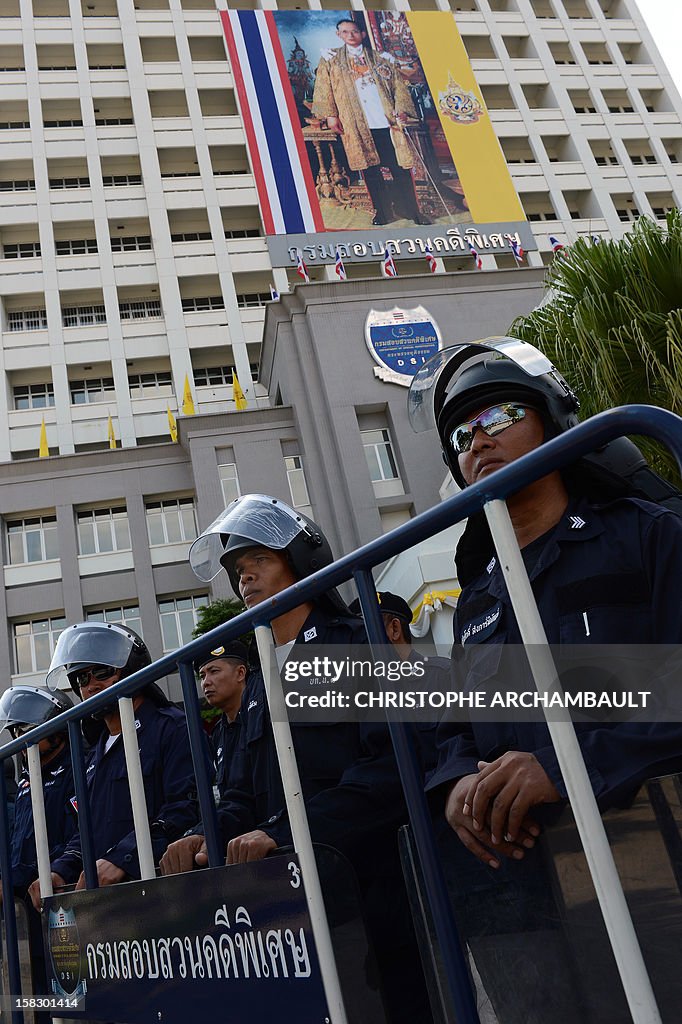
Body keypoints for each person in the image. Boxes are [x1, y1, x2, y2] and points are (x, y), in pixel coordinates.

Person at [407, 335, 682, 1023]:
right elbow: (454, 734)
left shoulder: (648, 537)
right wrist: (459, 784)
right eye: (463, 435)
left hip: (661, 870)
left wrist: (566, 767)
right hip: (533, 890)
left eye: (498, 418)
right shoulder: (477, 599)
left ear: (555, 422)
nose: (478, 441)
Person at [161, 494, 433, 1024]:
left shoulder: (359, 644)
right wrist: (206, 834)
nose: (245, 580)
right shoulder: (260, 683)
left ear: (301, 560)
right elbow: (240, 793)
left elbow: (389, 767)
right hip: (287, 907)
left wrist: (287, 833)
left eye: (259, 562)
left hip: (371, 894)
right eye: (239, 571)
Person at [28, 622, 206, 907]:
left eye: (102, 671)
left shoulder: (171, 727)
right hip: (106, 907)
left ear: (132, 668)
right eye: (81, 678)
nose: (91, 685)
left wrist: (124, 857)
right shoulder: (94, 753)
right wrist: (59, 870)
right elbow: (85, 831)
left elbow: (186, 809)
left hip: (163, 896)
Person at [312, 18, 430, 226]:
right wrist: (331, 115)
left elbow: (399, 88)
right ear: (339, 35)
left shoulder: (381, 59)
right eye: (345, 32)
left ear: (363, 34)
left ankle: (412, 211)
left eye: (355, 31)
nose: (350, 35)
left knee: (399, 168)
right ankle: (382, 213)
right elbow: (324, 88)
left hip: (386, 123)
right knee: (370, 171)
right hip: (356, 125)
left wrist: (401, 111)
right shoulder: (330, 60)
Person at [0, 686, 78, 998]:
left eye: (28, 728)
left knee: (71, 995)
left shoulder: (77, 765)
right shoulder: (27, 779)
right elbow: (19, 842)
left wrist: (16, 877)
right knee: (40, 993)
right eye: (15, 730)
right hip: (27, 906)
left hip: (62, 899)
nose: (20, 738)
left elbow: (76, 837)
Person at [195, 641, 248, 800]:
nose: (206, 682)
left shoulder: (263, 717)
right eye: (202, 675)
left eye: (214, 671)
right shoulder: (218, 733)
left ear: (240, 673)